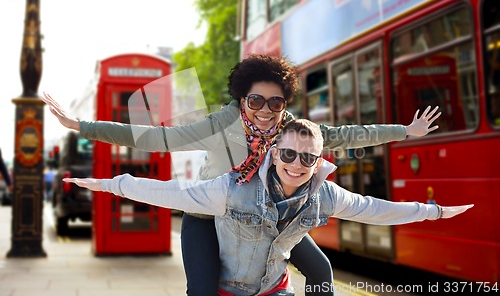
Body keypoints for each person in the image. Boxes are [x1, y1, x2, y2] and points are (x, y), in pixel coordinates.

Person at [41, 54, 441, 296]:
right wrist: (82, 126)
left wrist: (405, 131)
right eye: (255, 100)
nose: (266, 109)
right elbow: (160, 138)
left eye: (275, 101)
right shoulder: (222, 123)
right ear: (241, 99)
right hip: (210, 215)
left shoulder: (293, 131)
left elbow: (346, 135)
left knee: (320, 270)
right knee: (202, 289)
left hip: (265, 216)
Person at [66, 119, 473, 296]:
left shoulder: (324, 194)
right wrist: (106, 184)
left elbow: (374, 208)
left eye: (308, 159)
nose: (297, 165)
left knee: (321, 271)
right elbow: (169, 192)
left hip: (275, 288)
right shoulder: (231, 187)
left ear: (319, 160)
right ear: (274, 153)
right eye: (289, 156)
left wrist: (432, 210)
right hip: (227, 283)